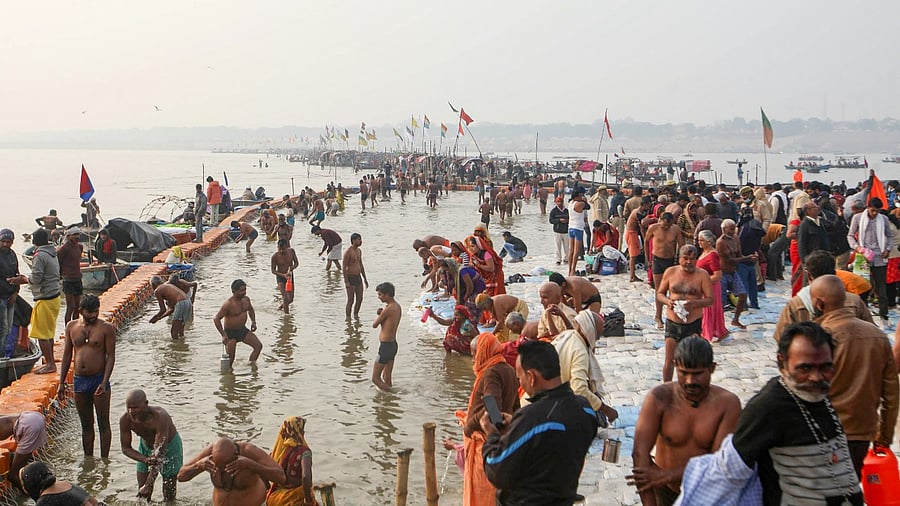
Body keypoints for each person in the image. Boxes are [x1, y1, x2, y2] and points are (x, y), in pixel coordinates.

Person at [702, 322, 864, 504]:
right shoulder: (767, 407)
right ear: (782, 363)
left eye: (825, 367)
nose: (816, 377)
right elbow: (730, 472)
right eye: (805, 368)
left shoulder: (820, 395)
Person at [481, 340, 599, 505]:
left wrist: (491, 434)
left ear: (531, 377)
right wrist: (517, 424)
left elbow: (496, 468)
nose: (519, 383)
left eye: (519, 377)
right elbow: (554, 442)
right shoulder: (585, 410)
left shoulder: (533, 417)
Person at [628, 336, 741, 505]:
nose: (690, 381)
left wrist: (668, 475)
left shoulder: (727, 404)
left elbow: (719, 464)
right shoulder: (659, 398)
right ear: (675, 368)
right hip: (665, 490)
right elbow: (639, 455)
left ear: (712, 368)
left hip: (708, 492)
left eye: (697, 374)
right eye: (683, 373)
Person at [810, 275, 899, 476]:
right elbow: (891, 394)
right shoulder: (877, 336)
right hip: (861, 430)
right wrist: (884, 436)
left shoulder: (817, 337)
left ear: (819, 303)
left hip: (822, 432)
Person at [458, 332, 519, 506]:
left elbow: (492, 411)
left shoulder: (491, 373)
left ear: (483, 352)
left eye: (474, 355)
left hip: (485, 443)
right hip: (501, 440)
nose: (472, 360)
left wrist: (470, 424)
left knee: (483, 495)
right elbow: (516, 409)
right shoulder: (508, 369)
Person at [58, 294, 116, 458]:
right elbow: (67, 356)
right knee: (86, 425)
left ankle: (105, 460)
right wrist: (61, 382)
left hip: (99, 380)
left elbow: (110, 356)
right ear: (81, 311)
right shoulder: (71, 327)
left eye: (96, 312)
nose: (93, 316)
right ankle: (88, 459)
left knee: (103, 424)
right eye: (89, 313)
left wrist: (104, 382)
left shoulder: (106, 328)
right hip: (79, 381)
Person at [774, 249, 874, 342]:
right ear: (835, 272)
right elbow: (870, 335)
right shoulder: (854, 301)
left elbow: (782, 339)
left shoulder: (795, 304)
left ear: (808, 275)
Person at [655, 245, 713, 382]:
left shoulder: (702, 275)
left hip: (693, 323)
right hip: (673, 323)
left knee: (692, 359)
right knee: (670, 360)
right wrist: (667, 301)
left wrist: (695, 304)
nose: (689, 262)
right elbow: (660, 294)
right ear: (679, 258)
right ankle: (667, 388)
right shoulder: (670, 272)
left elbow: (710, 300)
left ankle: (689, 385)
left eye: (692, 259)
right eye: (685, 258)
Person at [551, 310, 619, 425]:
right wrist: (605, 409)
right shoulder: (580, 351)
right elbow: (579, 389)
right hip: (555, 401)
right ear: (590, 331)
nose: (597, 339)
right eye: (597, 334)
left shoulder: (569, 335)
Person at [177, 437, 285, 506]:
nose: (223, 470)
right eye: (219, 467)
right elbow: (180, 476)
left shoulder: (249, 451)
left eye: (226, 466)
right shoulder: (211, 453)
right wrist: (198, 466)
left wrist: (251, 465)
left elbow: (281, 477)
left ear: (236, 456)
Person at [119, 389, 183, 501]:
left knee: (169, 493)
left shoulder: (160, 417)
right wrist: (145, 459)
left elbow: (160, 453)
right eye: (128, 408)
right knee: (142, 493)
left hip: (170, 446)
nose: (131, 411)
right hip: (145, 447)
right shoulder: (125, 420)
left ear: (146, 404)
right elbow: (125, 448)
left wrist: (149, 483)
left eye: (135, 408)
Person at [18, 228, 61, 374]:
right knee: (49, 332)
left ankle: (50, 364)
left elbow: (36, 278)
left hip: (45, 298)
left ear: (34, 241)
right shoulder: (52, 252)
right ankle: (50, 360)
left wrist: (24, 279)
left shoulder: (40, 255)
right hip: (55, 297)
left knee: (42, 334)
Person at [847, 197, 895, 327]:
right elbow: (850, 235)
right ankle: (862, 316)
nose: (874, 214)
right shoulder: (857, 218)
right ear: (868, 208)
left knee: (881, 289)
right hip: (863, 257)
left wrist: (888, 249)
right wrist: (858, 248)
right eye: (873, 211)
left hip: (879, 257)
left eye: (877, 211)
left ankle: (884, 316)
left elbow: (890, 237)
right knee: (862, 288)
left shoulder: (883, 219)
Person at [266, 416, 319, 506]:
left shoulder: (280, 451)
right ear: (299, 431)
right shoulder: (305, 452)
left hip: (274, 498)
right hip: (293, 500)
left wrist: (267, 489)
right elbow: (306, 477)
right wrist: (308, 500)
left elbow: (263, 469)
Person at [213, 279, 263, 368]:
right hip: (230, 334)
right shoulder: (228, 304)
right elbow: (216, 319)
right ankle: (229, 378)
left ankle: (252, 367)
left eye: (245, 289)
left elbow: (250, 309)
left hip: (242, 330)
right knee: (230, 360)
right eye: (241, 290)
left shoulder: (246, 300)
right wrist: (223, 335)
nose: (244, 292)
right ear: (234, 291)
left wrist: (253, 322)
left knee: (258, 346)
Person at [646, 213, 683, 328]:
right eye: (664, 225)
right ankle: (658, 316)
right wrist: (648, 259)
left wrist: (680, 260)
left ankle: (672, 315)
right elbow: (646, 241)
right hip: (657, 260)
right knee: (659, 289)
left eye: (668, 225)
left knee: (672, 288)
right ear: (660, 220)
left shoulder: (675, 229)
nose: (666, 227)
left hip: (671, 260)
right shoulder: (654, 228)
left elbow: (681, 245)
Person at [716, 219, 750, 329]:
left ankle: (736, 319)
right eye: (730, 229)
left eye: (733, 229)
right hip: (723, 273)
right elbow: (729, 259)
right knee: (721, 302)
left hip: (733, 271)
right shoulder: (720, 242)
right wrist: (746, 258)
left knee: (743, 295)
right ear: (724, 229)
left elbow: (739, 254)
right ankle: (719, 325)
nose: (733, 231)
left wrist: (747, 257)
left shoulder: (735, 238)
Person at [19, 461, 101, 506]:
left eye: (23, 484)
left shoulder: (45, 501)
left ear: (30, 484)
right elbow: (94, 502)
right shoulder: (67, 485)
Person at [0, 411, 47, 488]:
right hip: (35, 417)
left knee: (13, 475)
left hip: (29, 426)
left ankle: (34, 496)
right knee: (23, 462)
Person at [696, 230, 727, 342]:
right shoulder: (704, 252)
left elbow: (717, 275)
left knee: (709, 310)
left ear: (708, 241)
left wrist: (704, 283)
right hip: (704, 286)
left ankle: (710, 332)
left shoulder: (712, 255)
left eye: (702, 240)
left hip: (710, 286)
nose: (699, 242)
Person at [372, 282, 400, 391]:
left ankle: (392, 394)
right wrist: (382, 314)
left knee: (375, 378)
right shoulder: (397, 306)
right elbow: (388, 324)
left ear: (387, 294)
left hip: (385, 346)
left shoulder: (388, 309)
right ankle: (389, 404)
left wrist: (381, 314)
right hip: (392, 345)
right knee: (387, 378)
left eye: (380, 294)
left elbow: (374, 325)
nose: (379, 297)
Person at [57, 227, 83, 324]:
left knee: (77, 305)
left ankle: (75, 326)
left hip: (77, 278)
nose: (77, 237)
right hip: (68, 280)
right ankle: (68, 328)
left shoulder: (79, 247)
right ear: (68, 236)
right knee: (70, 306)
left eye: (78, 234)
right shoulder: (64, 249)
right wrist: (60, 275)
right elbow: (59, 263)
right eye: (74, 235)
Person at [0, 228, 22, 345]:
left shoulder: (12, 254)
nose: (5, 244)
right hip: (1, 297)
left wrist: (15, 293)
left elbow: (16, 274)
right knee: (2, 329)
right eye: (3, 241)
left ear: (12, 242)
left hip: (11, 296)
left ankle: (4, 353)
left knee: (7, 328)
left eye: (8, 242)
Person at [342, 233, 369, 318]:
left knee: (360, 299)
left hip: (358, 277)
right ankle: (348, 318)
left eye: (360, 239)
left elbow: (361, 265)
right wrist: (346, 281)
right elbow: (344, 267)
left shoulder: (359, 251)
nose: (361, 241)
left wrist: (365, 278)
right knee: (351, 300)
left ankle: (356, 315)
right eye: (359, 239)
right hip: (350, 277)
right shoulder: (348, 252)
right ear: (353, 240)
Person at [626, 197, 652, 282]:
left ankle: (633, 275)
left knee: (634, 255)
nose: (649, 208)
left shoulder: (636, 211)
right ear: (644, 205)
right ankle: (632, 276)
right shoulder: (638, 213)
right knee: (633, 256)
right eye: (648, 206)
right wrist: (645, 239)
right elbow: (642, 226)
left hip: (632, 233)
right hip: (631, 234)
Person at [271, 239, 299, 313]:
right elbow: (273, 271)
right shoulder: (275, 256)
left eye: (283, 249)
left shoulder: (291, 251)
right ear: (277, 247)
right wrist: (283, 275)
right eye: (280, 249)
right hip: (280, 277)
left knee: (290, 299)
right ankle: (286, 316)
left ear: (287, 246)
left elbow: (296, 263)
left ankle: (280, 308)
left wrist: (293, 267)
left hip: (289, 277)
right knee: (285, 297)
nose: (281, 251)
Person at [567, 191, 588, 275]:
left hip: (571, 226)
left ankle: (569, 269)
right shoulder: (580, 204)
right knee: (576, 251)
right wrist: (584, 200)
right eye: (579, 196)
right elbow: (587, 206)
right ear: (576, 197)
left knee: (571, 250)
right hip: (578, 228)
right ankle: (573, 269)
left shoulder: (570, 203)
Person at [549, 196, 570, 265]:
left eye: (561, 202)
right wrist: (559, 220)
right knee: (557, 246)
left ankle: (566, 258)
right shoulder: (554, 211)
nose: (560, 203)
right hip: (557, 231)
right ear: (556, 203)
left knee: (566, 246)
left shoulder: (567, 210)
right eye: (558, 202)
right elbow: (551, 220)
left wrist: (566, 221)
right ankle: (558, 259)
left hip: (566, 231)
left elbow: (571, 219)